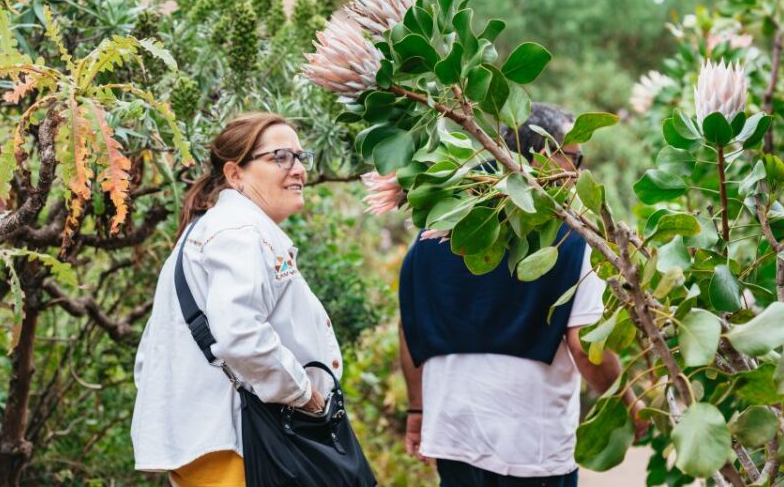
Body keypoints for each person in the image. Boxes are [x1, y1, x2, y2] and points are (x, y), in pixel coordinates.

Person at [399, 103, 646, 486]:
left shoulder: (433, 232)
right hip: (531, 446)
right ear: (544, 156)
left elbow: (411, 329)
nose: (579, 174)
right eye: (575, 159)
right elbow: (585, 349)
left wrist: (417, 409)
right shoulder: (572, 241)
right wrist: (629, 404)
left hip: (452, 433)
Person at [131, 112, 341, 486]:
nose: (298, 169)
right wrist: (304, 393)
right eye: (280, 157)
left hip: (217, 442)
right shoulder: (239, 231)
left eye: (299, 156)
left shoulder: (212, 230)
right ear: (235, 174)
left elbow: (148, 355)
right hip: (240, 442)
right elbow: (241, 334)